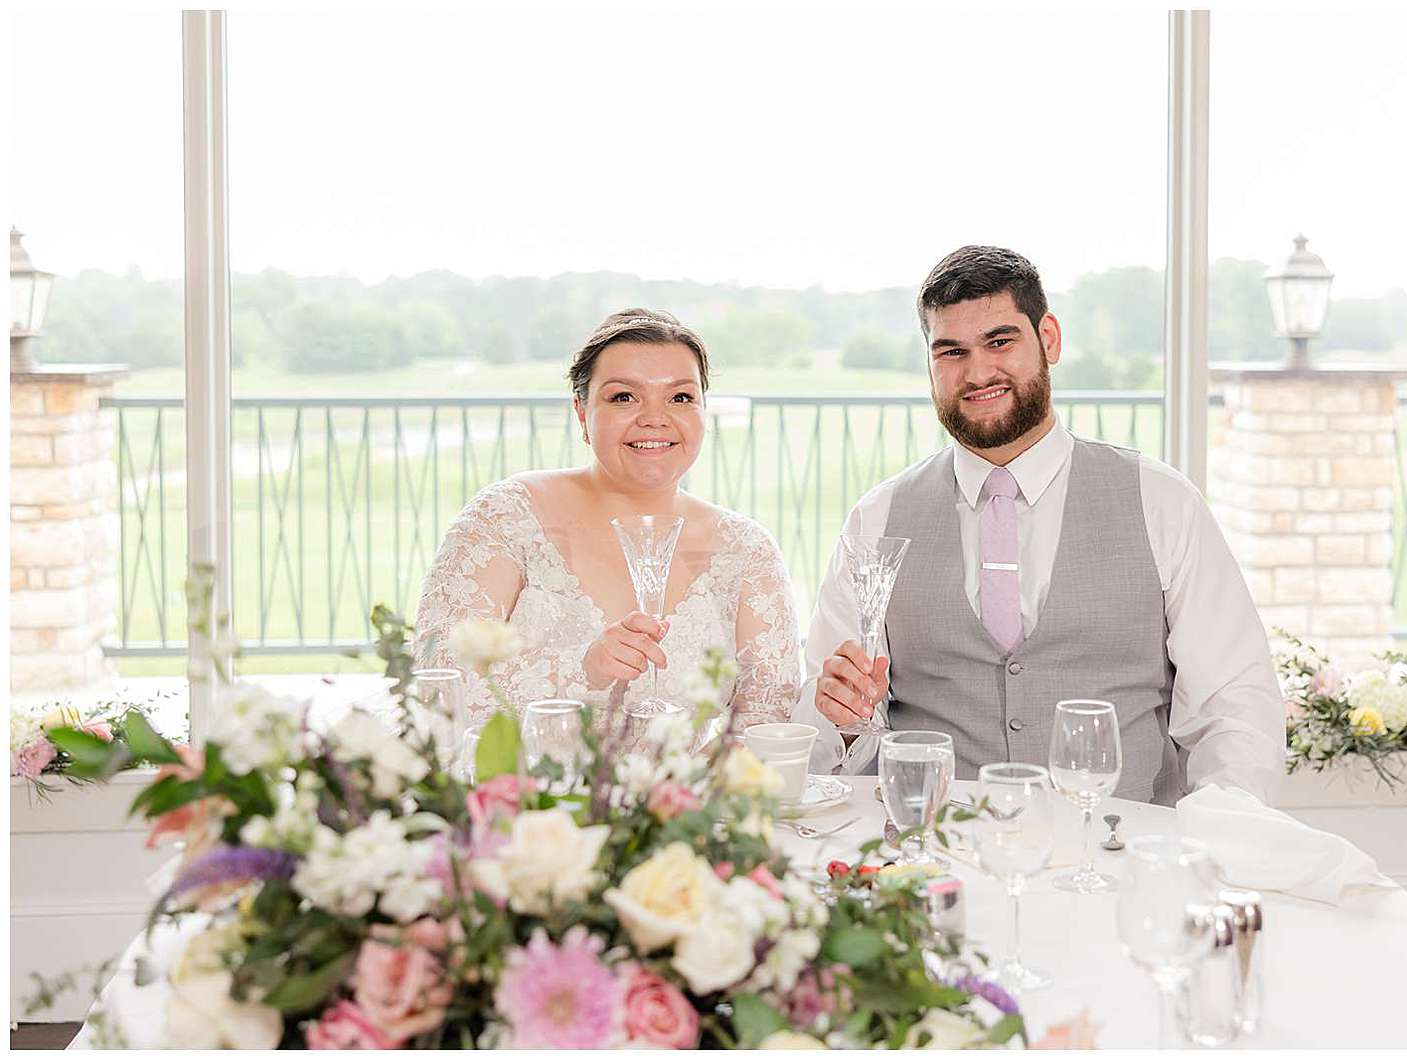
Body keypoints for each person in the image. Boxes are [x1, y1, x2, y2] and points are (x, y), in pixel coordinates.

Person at [796, 246, 1284, 804]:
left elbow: (1233, 704)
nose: (978, 372)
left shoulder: (1163, 502)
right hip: (934, 858)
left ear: (1048, 338)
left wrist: (1216, 834)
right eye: (950, 351)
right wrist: (837, 714)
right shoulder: (876, 520)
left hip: (1118, 856)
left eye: (1000, 341)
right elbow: (826, 719)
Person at [414, 308, 801, 733]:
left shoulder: (747, 550)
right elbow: (438, 685)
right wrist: (585, 670)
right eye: (624, 397)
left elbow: (769, 714)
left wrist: (695, 781)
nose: (655, 417)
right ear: (582, 414)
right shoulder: (507, 517)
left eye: (681, 397)